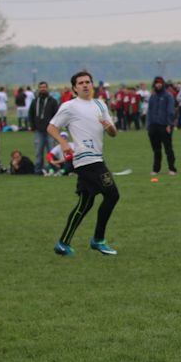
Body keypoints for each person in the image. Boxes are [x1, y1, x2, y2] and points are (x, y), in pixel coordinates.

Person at [47, 71, 120, 256]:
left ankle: (62, 243)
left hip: (97, 157)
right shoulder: (69, 106)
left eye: (88, 82)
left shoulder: (100, 104)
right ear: (74, 88)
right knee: (112, 195)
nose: (85, 85)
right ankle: (98, 240)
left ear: (92, 85)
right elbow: (51, 127)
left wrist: (110, 128)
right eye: (80, 83)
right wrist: (63, 143)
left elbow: (113, 133)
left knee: (85, 204)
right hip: (86, 160)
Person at [146, 76, 177, 178]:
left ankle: (172, 168)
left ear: (163, 84)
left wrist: (169, 124)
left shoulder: (168, 96)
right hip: (153, 126)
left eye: (160, 83)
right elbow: (149, 111)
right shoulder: (153, 97)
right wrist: (149, 125)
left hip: (164, 126)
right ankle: (156, 169)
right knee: (156, 149)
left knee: (168, 148)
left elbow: (171, 111)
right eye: (156, 83)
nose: (158, 85)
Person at [29, 82, 59, 174]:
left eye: (44, 87)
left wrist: (55, 127)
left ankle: (53, 168)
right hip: (38, 130)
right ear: (38, 89)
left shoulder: (53, 101)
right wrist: (32, 126)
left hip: (50, 131)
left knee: (52, 150)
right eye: (41, 87)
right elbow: (30, 114)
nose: (43, 89)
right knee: (38, 151)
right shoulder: (34, 101)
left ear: (47, 88)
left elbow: (57, 115)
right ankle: (38, 170)